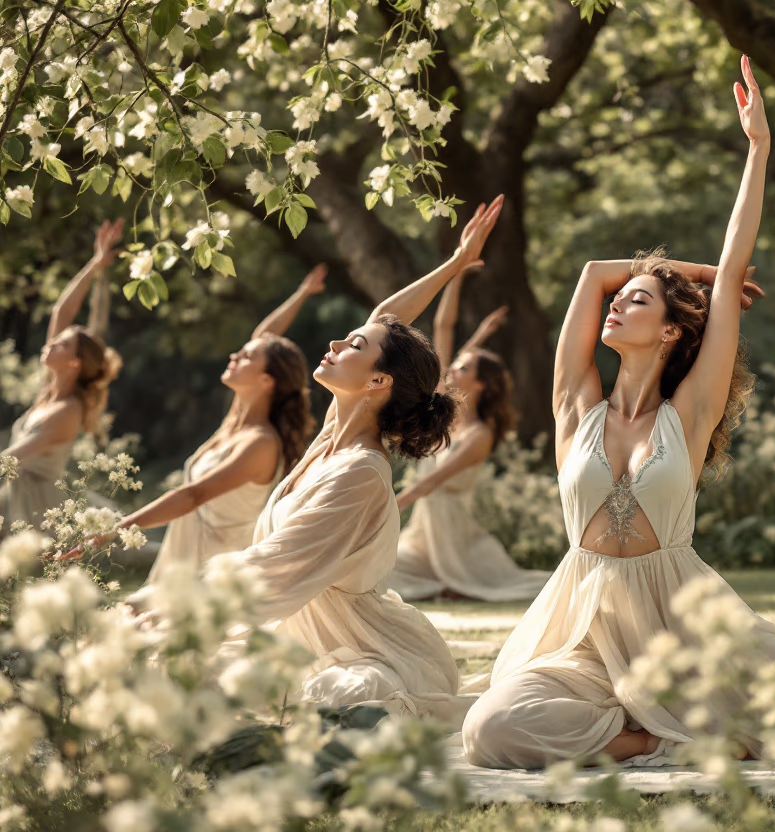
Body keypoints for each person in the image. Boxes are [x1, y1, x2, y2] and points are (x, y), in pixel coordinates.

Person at [462, 58, 775, 770]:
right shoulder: (577, 407)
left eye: (637, 301)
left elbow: (736, 252)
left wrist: (759, 149)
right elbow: (591, 275)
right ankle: (658, 739)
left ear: (669, 333)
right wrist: (688, 275)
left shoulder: (687, 414)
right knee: (492, 730)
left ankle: (680, 724)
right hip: (582, 634)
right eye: (621, 299)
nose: (617, 303)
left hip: (683, 632)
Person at [143, 198, 504, 720]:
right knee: (167, 669)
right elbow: (384, 319)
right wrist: (455, 263)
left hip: (367, 650)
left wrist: (175, 597)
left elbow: (277, 561)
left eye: (352, 345)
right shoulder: (334, 434)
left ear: (377, 380)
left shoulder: (361, 470)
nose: (335, 342)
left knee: (328, 701)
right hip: (296, 635)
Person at [84, 266, 326, 581]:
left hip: (215, 574)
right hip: (183, 559)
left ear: (267, 381)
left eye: (245, 357)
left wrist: (116, 530)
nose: (234, 356)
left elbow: (193, 495)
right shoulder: (235, 422)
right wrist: (302, 293)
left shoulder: (260, 443)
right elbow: (263, 338)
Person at [385, 267, 551, 601]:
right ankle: (441, 584)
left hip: (455, 543)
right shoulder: (445, 417)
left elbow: (431, 482)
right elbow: (443, 327)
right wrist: (456, 274)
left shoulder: (479, 435)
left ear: (480, 384)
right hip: (423, 537)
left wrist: (386, 508)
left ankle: (450, 584)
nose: (452, 368)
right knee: (380, 571)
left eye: (463, 367)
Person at [2, 220, 124, 534]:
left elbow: (11, 459)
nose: (52, 342)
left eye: (63, 344)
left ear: (74, 363)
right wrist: (96, 263)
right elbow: (62, 312)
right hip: (17, 503)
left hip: (40, 517)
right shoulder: (49, 389)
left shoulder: (68, 410)